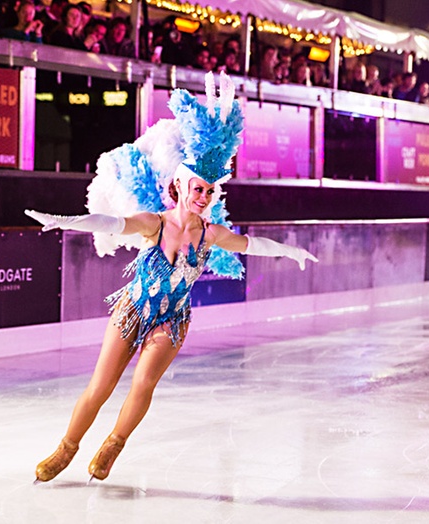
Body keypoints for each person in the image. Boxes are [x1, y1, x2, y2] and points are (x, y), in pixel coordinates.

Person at [26, 72, 318, 483]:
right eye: (199, 189)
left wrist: (292, 252)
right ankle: (66, 448)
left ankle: (113, 444)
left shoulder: (212, 234)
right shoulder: (153, 223)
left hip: (172, 319)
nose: (204, 198)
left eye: (210, 193)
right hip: (132, 311)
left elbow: (252, 244)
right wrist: (64, 221)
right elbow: (109, 223)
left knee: (143, 382)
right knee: (101, 386)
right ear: (180, 185)